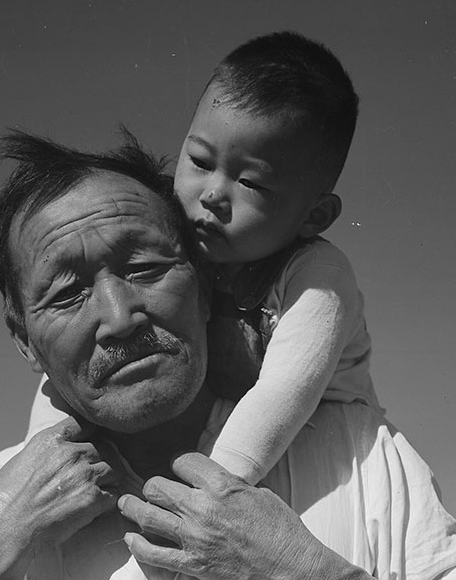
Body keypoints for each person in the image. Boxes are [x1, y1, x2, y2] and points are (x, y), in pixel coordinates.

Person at [0, 130, 456, 580]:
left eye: (144, 268)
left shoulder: (354, 452)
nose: (119, 317)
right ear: (24, 342)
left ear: (207, 287)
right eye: (68, 294)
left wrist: (310, 579)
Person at [29, 32, 376, 485]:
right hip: (226, 436)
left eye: (250, 183)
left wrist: (207, 497)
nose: (212, 193)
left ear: (315, 215)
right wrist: (40, 462)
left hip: (319, 452)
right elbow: (66, 370)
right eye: (199, 160)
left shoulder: (318, 278)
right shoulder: (179, 245)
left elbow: (282, 394)